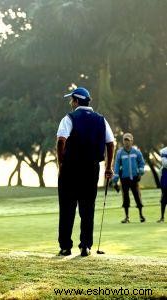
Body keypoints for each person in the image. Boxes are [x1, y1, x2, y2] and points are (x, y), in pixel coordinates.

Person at [56, 87, 114, 256]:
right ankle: (86, 246)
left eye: (71, 100)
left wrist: (61, 163)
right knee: (87, 208)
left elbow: (61, 141)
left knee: (67, 207)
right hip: (91, 169)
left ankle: (66, 246)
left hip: (70, 168)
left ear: (76, 101)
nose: (70, 103)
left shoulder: (69, 118)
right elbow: (110, 143)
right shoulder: (101, 120)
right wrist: (109, 167)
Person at [112, 133, 146, 223]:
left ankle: (141, 215)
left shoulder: (136, 152)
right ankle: (127, 217)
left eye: (128, 140)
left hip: (134, 178)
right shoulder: (119, 153)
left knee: (137, 196)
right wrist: (115, 179)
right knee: (125, 198)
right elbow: (116, 166)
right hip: (124, 178)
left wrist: (140, 172)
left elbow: (141, 163)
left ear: (132, 141)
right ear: (123, 141)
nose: (126, 142)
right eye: (125, 140)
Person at [157, 146, 167, 223]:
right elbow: (165, 163)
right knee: (164, 196)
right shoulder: (164, 150)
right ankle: (162, 217)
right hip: (165, 176)